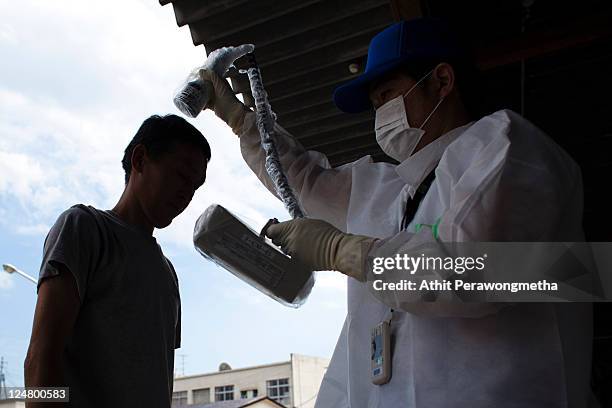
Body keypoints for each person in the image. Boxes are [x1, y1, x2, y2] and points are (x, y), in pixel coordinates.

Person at [200, 18, 594, 408]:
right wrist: (239, 118)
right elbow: (302, 180)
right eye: (374, 106)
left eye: (387, 95)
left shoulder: (506, 144)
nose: (380, 114)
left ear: (441, 81)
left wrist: (348, 252)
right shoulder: (387, 188)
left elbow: (490, 273)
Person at [24, 114, 210, 408]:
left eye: (195, 187)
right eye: (181, 176)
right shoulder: (84, 228)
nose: (186, 195)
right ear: (140, 160)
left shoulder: (168, 274)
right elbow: (39, 359)